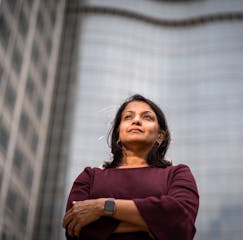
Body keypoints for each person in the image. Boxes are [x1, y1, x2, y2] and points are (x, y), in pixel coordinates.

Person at [62, 94, 199, 240]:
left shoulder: (177, 174)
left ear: (160, 136)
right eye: (128, 117)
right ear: (118, 135)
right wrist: (155, 223)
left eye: (147, 117)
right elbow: (75, 228)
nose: (136, 120)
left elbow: (181, 221)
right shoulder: (90, 176)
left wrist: (102, 207)